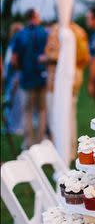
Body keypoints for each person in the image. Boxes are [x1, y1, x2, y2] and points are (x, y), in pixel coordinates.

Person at [42, 21, 90, 158]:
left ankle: (59, 151)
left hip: (57, 79)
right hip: (76, 77)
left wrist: (45, 58)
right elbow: (86, 57)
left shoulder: (57, 30)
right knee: (71, 114)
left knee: (55, 115)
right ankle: (71, 150)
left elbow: (50, 54)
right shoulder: (80, 30)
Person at [11, 9, 48, 148]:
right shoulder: (44, 33)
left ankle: (28, 144)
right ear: (35, 17)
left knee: (27, 111)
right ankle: (40, 143)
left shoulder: (20, 34)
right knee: (42, 111)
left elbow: (14, 59)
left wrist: (19, 68)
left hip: (26, 78)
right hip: (41, 78)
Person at [3, 22, 25, 135]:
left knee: (16, 100)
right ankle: (15, 124)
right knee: (15, 100)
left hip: (14, 75)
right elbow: (11, 61)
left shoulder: (14, 43)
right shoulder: (16, 43)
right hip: (15, 75)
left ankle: (16, 124)